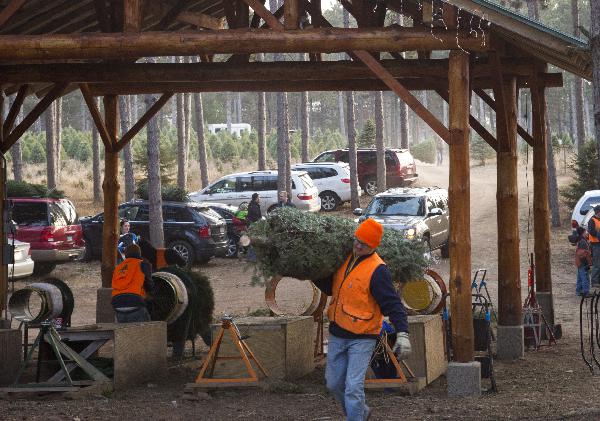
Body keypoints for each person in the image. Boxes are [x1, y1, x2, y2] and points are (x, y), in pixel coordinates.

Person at [313, 218, 411, 421]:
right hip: (337, 332)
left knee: (353, 386)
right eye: (356, 240)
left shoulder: (378, 270)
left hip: (363, 337)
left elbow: (393, 304)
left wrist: (402, 333)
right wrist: (310, 272)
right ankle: (361, 413)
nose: (357, 245)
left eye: (363, 244)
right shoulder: (346, 258)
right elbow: (333, 288)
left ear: (373, 246)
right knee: (333, 384)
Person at [111, 243, 156, 323]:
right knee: (145, 332)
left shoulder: (118, 267)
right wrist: (152, 295)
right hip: (135, 303)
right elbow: (149, 284)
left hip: (117, 304)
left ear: (126, 254)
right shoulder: (142, 264)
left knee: (124, 333)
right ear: (139, 253)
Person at [576, 230, 592, 297]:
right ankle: (586, 292)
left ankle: (579, 291)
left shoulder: (581, 240)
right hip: (583, 263)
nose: (587, 233)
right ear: (582, 233)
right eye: (585, 232)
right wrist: (589, 263)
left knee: (580, 277)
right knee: (585, 277)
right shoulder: (583, 242)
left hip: (579, 262)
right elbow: (584, 254)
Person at [587, 205, 600, 287]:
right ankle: (594, 282)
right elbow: (591, 232)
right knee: (597, 263)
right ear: (598, 212)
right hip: (595, 244)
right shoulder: (592, 220)